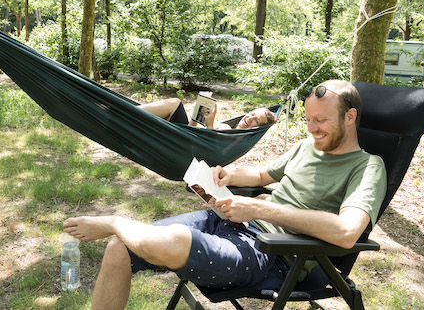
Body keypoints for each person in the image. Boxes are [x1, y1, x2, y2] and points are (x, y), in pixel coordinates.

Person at [64, 80, 387, 310]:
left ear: (350, 116)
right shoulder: (307, 146)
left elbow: (346, 232)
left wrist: (260, 210)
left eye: (321, 120)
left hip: (274, 254)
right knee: (120, 246)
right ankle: (117, 228)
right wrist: (228, 175)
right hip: (233, 222)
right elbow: (263, 175)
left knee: (166, 239)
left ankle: (114, 220)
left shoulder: (368, 167)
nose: (312, 128)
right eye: (308, 119)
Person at [138, 97, 276, 130]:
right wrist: (197, 117)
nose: (249, 118)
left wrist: (210, 125)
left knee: (175, 103)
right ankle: (128, 111)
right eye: (252, 114)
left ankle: (129, 111)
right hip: (185, 134)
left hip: (184, 143)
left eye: (256, 120)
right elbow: (194, 130)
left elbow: (210, 149)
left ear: (257, 128)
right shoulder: (230, 129)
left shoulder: (233, 135)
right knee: (172, 105)